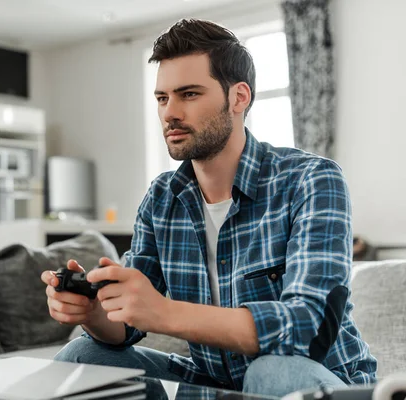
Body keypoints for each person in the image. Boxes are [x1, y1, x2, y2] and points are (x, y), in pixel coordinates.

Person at [40, 19, 377, 398]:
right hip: (214, 383)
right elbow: (126, 328)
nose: (169, 113)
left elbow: (308, 330)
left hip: (313, 380)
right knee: (84, 355)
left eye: (189, 94)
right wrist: (94, 313)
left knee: (272, 371)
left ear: (239, 97)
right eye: (162, 98)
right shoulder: (162, 197)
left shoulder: (311, 179)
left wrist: (164, 311)